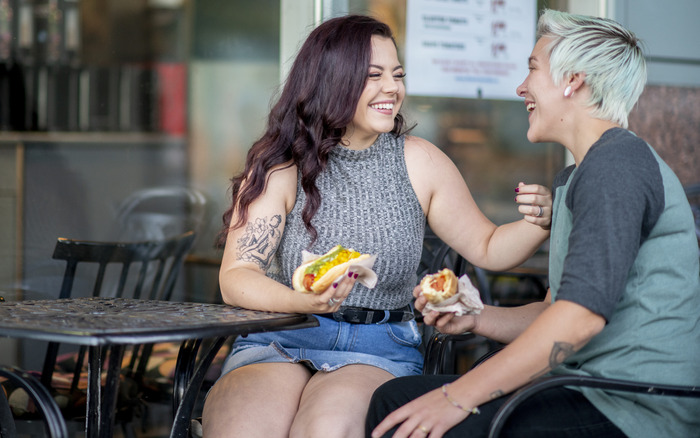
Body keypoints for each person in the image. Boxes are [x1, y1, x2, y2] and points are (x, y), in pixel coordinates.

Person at [201, 15, 552, 438]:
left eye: (397, 74)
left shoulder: (419, 161)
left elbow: (490, 246)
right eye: (374, 75)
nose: (393, 88)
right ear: (333, 80)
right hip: (278, 337)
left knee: (326, 430)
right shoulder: (282, 167)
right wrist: (304, 301)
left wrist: (539, 222)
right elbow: (238, 277)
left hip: (377, 347)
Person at [367, 9, 700, 438]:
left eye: (532, 70)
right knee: (395, 400)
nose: (521, 87)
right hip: (586, 388)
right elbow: (552, 311)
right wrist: (476, 317)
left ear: (573, 80)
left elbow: (578, 320)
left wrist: (458, 397)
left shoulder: (617, 165)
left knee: (406, 413)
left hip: (634, 407)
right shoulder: (579, 175)